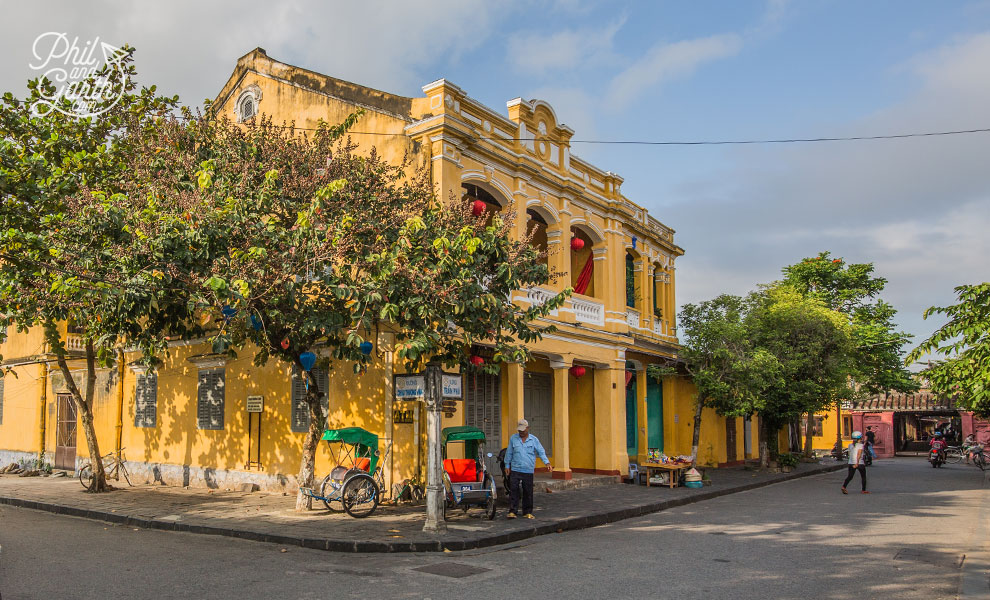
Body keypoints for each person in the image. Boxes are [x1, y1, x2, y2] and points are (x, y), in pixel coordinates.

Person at [503, 419, 551, 519]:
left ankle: (527, 512)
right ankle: (513, 511)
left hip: (528, 470)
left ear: (527, 428)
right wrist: (507, 465)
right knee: (514, 490)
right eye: (519, 431)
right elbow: (509, 452)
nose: (521, 432)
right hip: (515, 468)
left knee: (528, 491)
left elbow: (541, 451)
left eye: (523, 430)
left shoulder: (534, 440)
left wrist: (547, 463)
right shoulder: (513, 438)